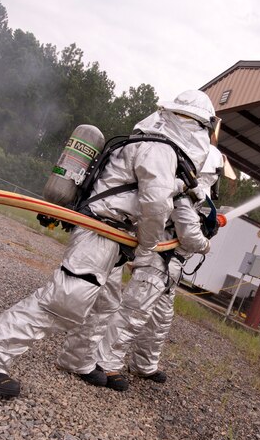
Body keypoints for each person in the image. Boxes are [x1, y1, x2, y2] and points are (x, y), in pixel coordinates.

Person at [0, 90, 218, 398]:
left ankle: (76, 360)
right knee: (63, 299)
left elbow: (151, 191)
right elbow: (155, 204)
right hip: (102, 232)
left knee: (104, 303)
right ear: (195, 126)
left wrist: (182, 187)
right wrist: (148, 246)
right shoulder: (160, 150)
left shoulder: (149, 144)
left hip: (109, 237)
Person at [94, 147, 226, 391]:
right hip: (156, 264)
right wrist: (206, 242)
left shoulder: (192, 198)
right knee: (133, 314)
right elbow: (189, 237)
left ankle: (144, 365)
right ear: (210, 172)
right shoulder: (183, 196)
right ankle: (105, 363)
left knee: (160, 320)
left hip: (169, 268)